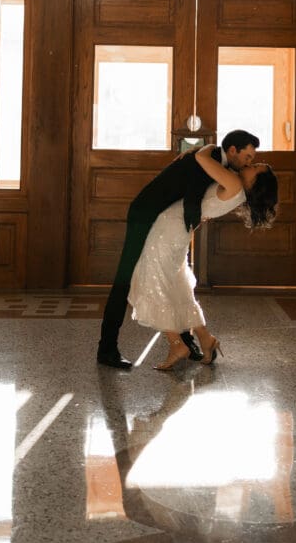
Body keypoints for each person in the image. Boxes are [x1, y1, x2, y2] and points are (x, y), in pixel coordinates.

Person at [97, 129, 260, 369]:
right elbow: (193, 200)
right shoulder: (212, 158)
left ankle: (187, 342)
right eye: (247, 157)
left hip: (167, 222)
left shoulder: (218, 162)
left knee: (175, 278)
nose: (249, 162)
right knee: (126, 276)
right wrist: (195, 220)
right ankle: (107, 348)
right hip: (146, 213)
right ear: (233, 151)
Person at [128, 144, 278, 370]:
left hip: (169, 230)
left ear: (256, 182)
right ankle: (206, 339)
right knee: (176, 286)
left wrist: (207, 146)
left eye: (255, 167)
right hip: (177, 230)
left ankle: (177, 344)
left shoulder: (234, 183)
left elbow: (201, 158)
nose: (249, 164)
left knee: (153, 281)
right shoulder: (237, 191)